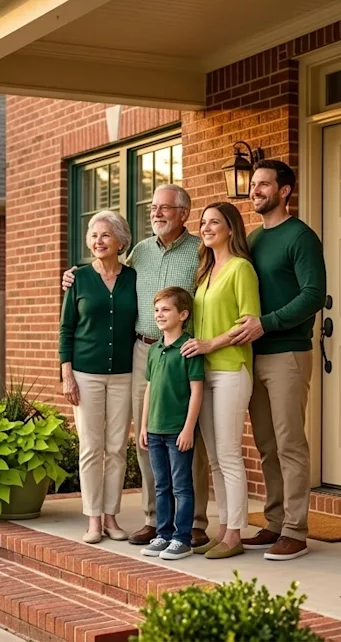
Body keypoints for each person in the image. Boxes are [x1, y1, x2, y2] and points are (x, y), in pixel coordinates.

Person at [62, 184, 212, 548]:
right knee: (145, 437)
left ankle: (193, 521)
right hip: (142, 352)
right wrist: (71, 276)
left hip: (182, 353)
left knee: (187, 437)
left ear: (183, 213)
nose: (157, 213)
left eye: (165, 208)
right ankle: (153, 517)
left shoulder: (199, 251)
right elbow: (94, 290)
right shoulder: (140, 254)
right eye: (154, 208)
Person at [230, 159, 327, 561]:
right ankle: (273, 522)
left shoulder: (300, 237)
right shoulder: (251, 240)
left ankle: (296, 530)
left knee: (290, 443)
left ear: (284, 191)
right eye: (253, 184)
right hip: (253, 355)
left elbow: (313, 295)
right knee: (266, 445)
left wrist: (265, 324)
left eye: (264, 185)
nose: (255, 191)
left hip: (287, 353)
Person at [181, 201, 260, 560]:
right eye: (204, 222)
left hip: (230, 367)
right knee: (213, 456)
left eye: (215, 222)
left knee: (228, 453)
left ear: (231, 228)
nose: (207, 227)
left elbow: (248, 324)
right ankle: (224, 528)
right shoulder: (205, 271)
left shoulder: (241, 269)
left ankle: (235, 533)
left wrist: (211, 343)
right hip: (206, 372)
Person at [59, 210, 138, 544]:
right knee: (91, 447)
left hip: (124, 373)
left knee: (117, 448)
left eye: (105, 235)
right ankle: (93, 519)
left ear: (120, 241)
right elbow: (66, 328)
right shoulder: (78, 279)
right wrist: (67, 375)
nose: (98, 241)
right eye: (93, 235)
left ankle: (111, 516)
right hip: (85, 375)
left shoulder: (133, 278)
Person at [138, 287, 205, 561]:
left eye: (166, 310)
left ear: (183, 314)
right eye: (156, 310)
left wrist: (189, 428)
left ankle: (182, 538)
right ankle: (163, 535)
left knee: (181, 486)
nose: (159, 315)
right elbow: (149, 389)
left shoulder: (190, 348)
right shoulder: (154, 350)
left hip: (178, 431)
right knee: (161, 486)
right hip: (154, 431)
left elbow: (197, 390)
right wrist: (143, 426)